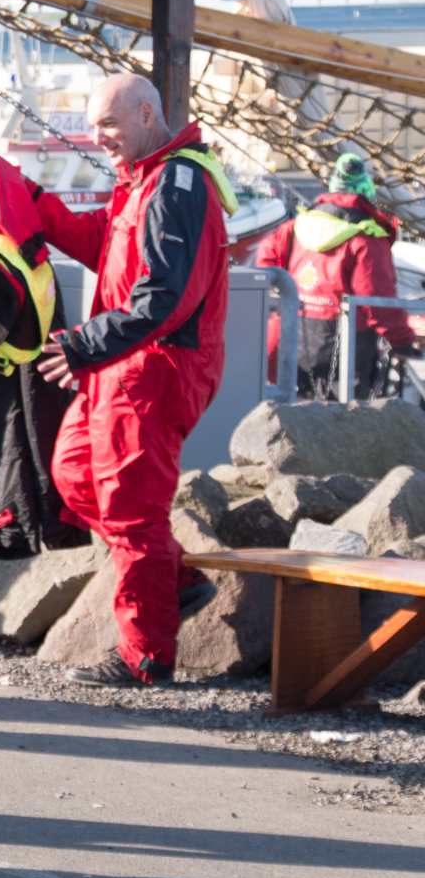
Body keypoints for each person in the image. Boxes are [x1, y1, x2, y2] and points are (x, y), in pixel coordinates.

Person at [33, 74, 236, 688]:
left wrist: (82, 344)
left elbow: (162, 300)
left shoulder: (175, 183)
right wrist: (32, 204)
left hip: (155, 366)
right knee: (73, 475)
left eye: (109, 125)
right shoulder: (146, 180)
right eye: (95, 128)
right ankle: (176, 579)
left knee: (131, 509)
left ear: (148, 114)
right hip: (125, 363)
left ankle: (146, 656)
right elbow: (104, 244)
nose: (99, 139)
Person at [254, 153, 418, 398]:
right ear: (367, 194)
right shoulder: (367, 240)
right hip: (348, 354)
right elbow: (378, 299)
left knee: (298, 420)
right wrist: (403, 342)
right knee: (348, 427)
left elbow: (265, 261)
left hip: (295, 343)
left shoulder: (295, 228)